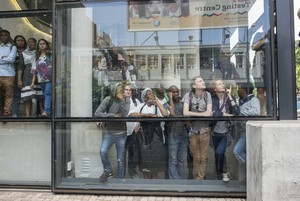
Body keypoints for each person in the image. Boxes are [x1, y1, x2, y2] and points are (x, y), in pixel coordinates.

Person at [128, 87, 170, 179]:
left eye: (152, 93)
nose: (152, 95)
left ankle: (154, 185)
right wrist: (145, 115)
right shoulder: (141, 106)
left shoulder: (158, 106)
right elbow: (131, 114)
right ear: (145, 98)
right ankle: (146, 184)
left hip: (156, 137)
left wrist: (157, 102)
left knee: (155, 164)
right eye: (149, 94)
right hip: (144, 138)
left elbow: (166, 114)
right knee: (145, 163)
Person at [94, 83, 130, 182]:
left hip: (121, 133)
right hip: (109, 132)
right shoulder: (108, 99)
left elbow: (124, 115)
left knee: (120, 159)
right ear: (116, 91)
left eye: (124, 91)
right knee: (103, 151)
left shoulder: (127, 100)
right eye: (121, 91)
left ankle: (120, 179)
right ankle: (108, 170)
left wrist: (122, 100)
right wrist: (111, 116)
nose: (123, 93)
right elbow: (97, 113)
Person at [182, 76, 212, 180]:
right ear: (194, 85)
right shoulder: (188, 96)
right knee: (196, 157)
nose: (203, 82)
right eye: (200, 81)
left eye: (203, 80)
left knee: (203, 157)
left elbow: (209, 113)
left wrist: (195, 114)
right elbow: (185, 112)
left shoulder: (207, 95)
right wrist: (202, 114)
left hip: (204, 131)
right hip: (193, 131)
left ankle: (200, 178)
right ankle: (196, 178)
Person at [210, 79, 240, 181]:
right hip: (214, 132)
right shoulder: (212, 99)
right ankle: (221, 172)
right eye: (219, 84)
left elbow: (236, 111)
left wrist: (230, 96)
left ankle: (221, 172)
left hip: (225, 132)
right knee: (217, 154)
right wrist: (225, 114)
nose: (222, 85)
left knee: (220, 152)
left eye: (222, 83)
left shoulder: (228, 99)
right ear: (214, 88)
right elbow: (214, 113)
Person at [233, 82, 260, 166]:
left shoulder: (253, 99)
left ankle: (252, 168)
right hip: (242, 130)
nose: (238, 90)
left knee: (237, 151)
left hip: (247, 131)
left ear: (245, 90)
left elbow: (256, 112)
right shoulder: (241, 101)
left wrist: (240, 112)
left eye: (240, 88)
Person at [19, 38, 43, 117]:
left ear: (36, 43)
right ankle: (27, 115)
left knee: (39, 95)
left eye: (33, 42)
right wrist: (19, 79)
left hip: (39, 73)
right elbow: (20, 67)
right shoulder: (23, 53)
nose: (31, 43)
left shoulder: (39, 52)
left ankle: (42, 112)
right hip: (27, 74)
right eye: (29, 42)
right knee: (28, 96)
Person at [167, 85, 187, 179]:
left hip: (183, 135)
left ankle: (180, 179)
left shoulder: (183, 104)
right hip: (173, 135)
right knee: (173, 160)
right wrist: (170, 98)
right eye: (173, 92)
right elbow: (172, 113)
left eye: (176, 92)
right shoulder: (166, 104)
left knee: (181, 160)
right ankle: (174, 181)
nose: (175, 94)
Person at [123, 82, 141, 179]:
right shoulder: (119, 101)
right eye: (126, 90)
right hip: (122, 132)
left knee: (132, 154)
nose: (128, 91)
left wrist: (138, 124)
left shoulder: (136, 101)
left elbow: (140, 114)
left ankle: (132, 173)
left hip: (133, 132)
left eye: (130, 90)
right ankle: (121, 174)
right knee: (121, 154)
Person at [30, 39, 52, 117]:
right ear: (38, 46)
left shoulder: (50, 55)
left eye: (44, 43)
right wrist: (32, 83)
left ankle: (46, 111)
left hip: (51, 78)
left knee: (48, 93)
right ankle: (49, 113)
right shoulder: (36, 57)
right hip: (41, 79)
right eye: (40, 44)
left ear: (46, 45)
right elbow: (34, 70)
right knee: (46, 95)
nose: (42, 45)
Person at [0, 29, 17, 116]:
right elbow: (8, 59)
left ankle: (7, 111)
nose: (3, 37)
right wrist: (5, 58)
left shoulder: (12, 47)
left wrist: (2, 58)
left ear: (9, 37)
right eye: (2, 35)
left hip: (9, 74)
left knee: (8, 94)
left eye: (5, 35)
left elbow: (11, 59)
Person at [12, 35, 27, 117]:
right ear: (15, 42)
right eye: (18, 40)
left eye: (22, 40)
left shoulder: (27, 52)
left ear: (24, 42)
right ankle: (14, 114)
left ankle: (27, 115)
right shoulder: (12, 52)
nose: (20, 41)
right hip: (14, 76)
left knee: (27, 96)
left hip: (27, 76)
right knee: (16, 95)